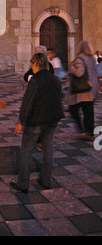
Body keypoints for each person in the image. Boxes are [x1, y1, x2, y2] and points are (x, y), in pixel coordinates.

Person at [10, 53, 64, 193]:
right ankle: (46, 180)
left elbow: (27, 103)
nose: (31, 68)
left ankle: (23, 183)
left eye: (31, 65)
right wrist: (56, 119)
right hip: (51, 120)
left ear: (35, 64)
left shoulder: (35, 81)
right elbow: (58, 100)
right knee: (48, 149)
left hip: (36, 121)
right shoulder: (55, 80)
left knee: (26, 150)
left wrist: (21, 122)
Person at [66, 40, 99, 141]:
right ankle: (89, 132)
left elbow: (79, 73)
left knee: (73, 108)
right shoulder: (92, 58)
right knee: (88, 110)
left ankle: (84, 131)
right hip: (93, 87)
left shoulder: (80, 59)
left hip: (84, 90)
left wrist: (71, 67)